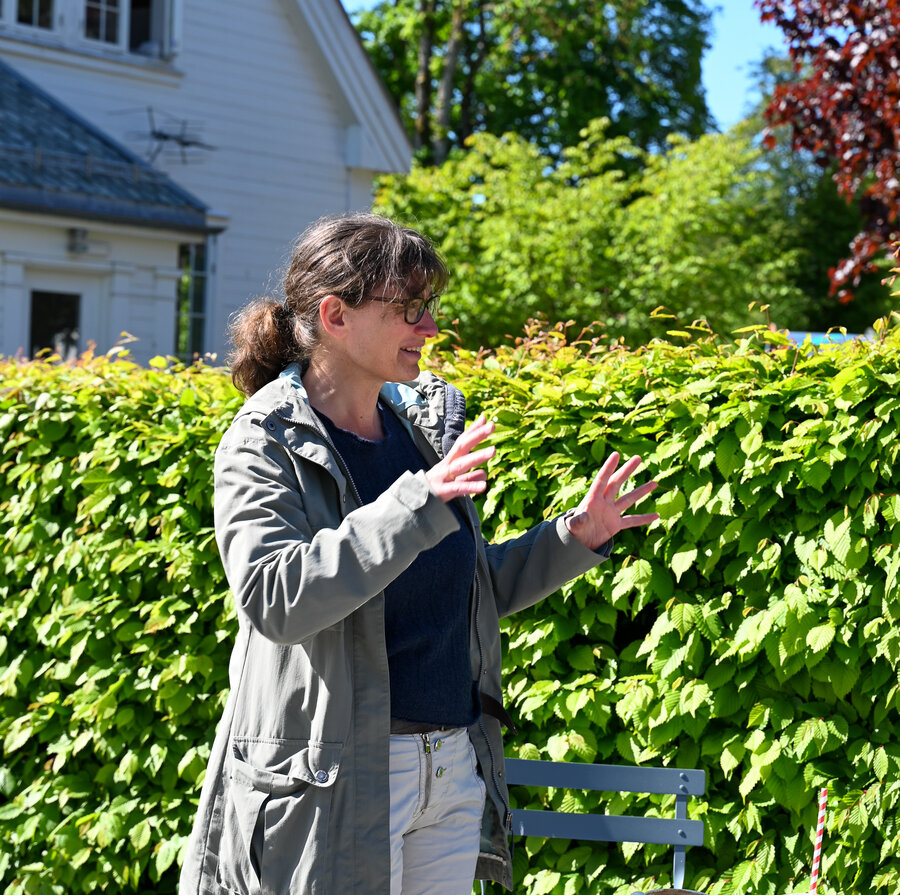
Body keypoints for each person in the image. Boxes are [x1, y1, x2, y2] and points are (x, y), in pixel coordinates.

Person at [179, 213, 658, 895]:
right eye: (408, 308)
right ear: (334, 315)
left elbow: (462, 587)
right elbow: (275, 598)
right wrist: (416, 505)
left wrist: (572, 538)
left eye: (428, 306)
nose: (429, 326)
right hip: (337, 780)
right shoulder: (265, 439)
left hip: (450, 768)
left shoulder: (419, 431)